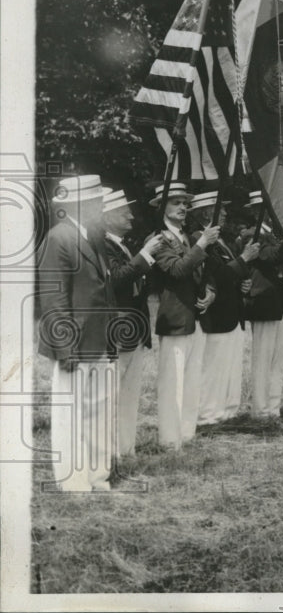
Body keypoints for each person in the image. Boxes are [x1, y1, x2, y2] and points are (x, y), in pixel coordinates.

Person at [38, 175, 117, 490]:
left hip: (98, 341)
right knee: (70, 415)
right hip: (75, 344)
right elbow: (54, 300)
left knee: (99, 411)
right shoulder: (59, 238)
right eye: (97, 200)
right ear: (80, 204)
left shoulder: (92, 236)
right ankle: (73, 481)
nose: (101, 205)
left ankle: (98, 475)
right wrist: (65, 348)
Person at [147, 181, 218, 449]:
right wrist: (201, 243)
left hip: (194, 316)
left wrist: (210, 290)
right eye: (176, 202)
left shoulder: (186, 237)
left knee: (191, 379)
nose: (183, 207)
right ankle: (169, 438)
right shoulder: (157, 239)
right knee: (172, 381)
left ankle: (187, 433)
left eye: (185, 203)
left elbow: (201, 271)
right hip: (174, 318)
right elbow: (176, 270)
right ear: (162, 207)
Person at [101, 188, 162, 457]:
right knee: (114, 392)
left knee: (130, 392)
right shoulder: (101, 245)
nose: (130, 216)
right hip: (118, 329)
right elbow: (116, 280)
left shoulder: (120, 245)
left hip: (132, 329)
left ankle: (125, 448)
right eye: (123, 211)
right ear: (105, 218)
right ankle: (112, 449)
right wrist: (146, 253)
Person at [189, 191, 258, 425]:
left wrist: (243, 282)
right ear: (207, 213)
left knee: (228, 363)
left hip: (231, 310)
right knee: (213, 366)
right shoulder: (198, 240)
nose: (226, 213)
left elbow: (229, 274)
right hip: (216, 313)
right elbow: (217, 274)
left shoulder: (221, 241)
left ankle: (227, 409)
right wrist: (244, 260)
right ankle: (208, 414)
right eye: (222, 209)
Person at [237, 191, 283, 420]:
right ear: (256, 211)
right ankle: (260, 409)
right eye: (266, 208)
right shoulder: (252, 234)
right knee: (263, 358)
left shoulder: (275, 233)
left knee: (277, 357)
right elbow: (272, 256)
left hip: (278, 300)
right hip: (262, 300)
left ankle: (273, 406)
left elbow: (282, 262)